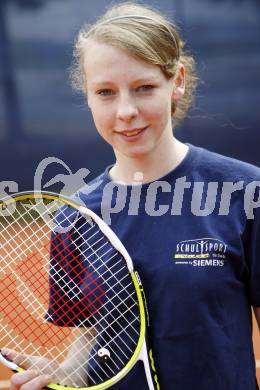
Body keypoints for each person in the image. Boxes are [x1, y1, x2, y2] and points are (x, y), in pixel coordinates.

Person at [4, 2, 260, 389]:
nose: (126, 111)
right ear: (88, 97)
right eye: (106, 92)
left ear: (177, 81)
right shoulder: (76, 217)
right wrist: (63, 374)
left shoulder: (244, 192)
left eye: (144, 88)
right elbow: (91, 343)